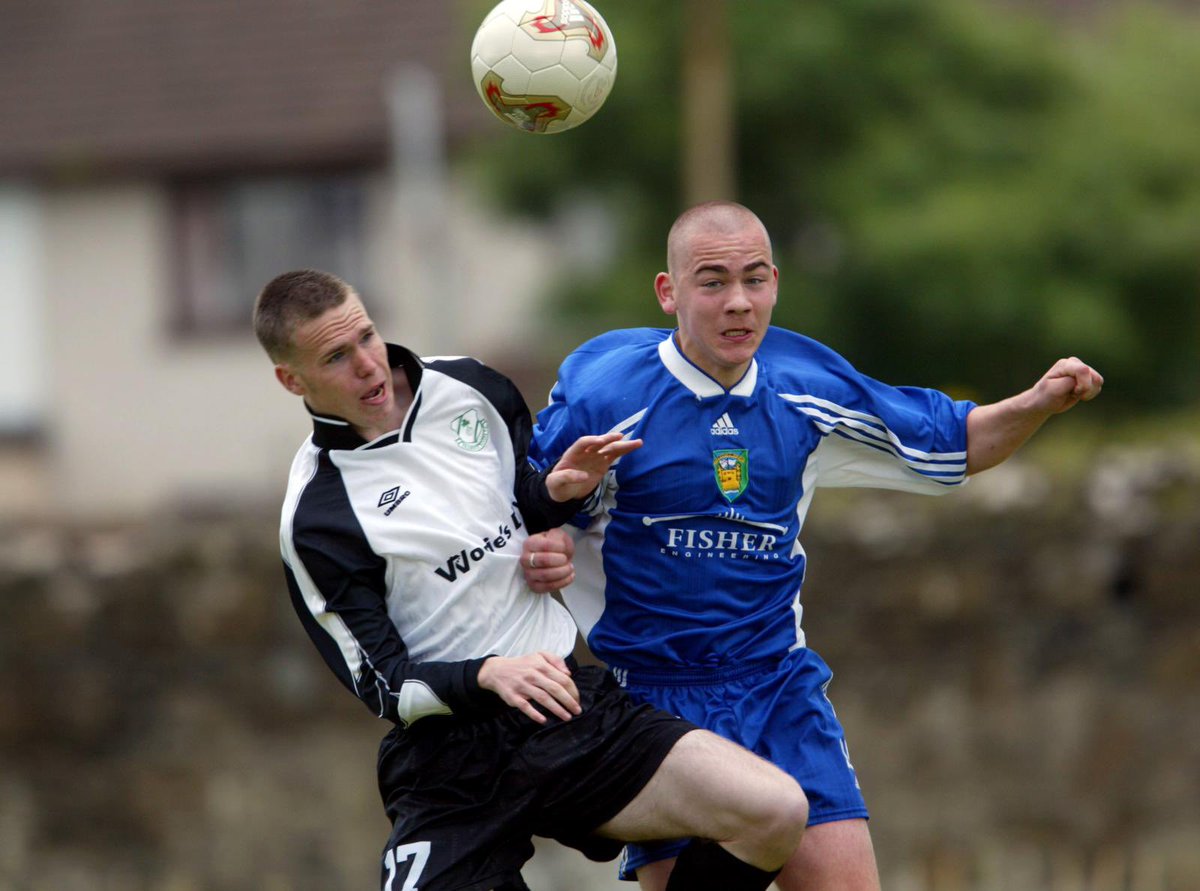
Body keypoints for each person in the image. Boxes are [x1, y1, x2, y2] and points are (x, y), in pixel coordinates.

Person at [524, 201, 1104, 891]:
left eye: (755, 279)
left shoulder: (806, 384)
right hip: (658, 696)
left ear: (775, 281)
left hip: (778, 684)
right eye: (712, 282)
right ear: (669, 291)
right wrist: (546, 542)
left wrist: (1036, 401)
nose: (739, 302)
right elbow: (530, 501)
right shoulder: (606, 389)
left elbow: (957, 440)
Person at [253, 268, 811, 891]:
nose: (367, 364)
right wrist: (487, 672)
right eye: (336, 356)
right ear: (291, 380)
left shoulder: (469, 386)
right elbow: (382, 685)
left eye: (366, 336)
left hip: (565, 705)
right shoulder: (316, 516)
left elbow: (522, 506)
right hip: (450, 762)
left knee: (775, 811)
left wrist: (557, 495)